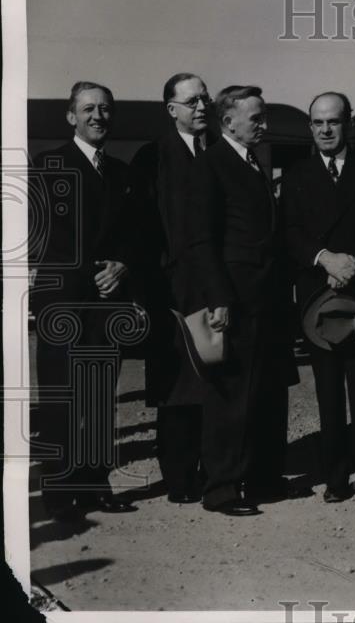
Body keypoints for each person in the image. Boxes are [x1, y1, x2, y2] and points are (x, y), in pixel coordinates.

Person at [187, 85, 307, 516]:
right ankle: (221, 488)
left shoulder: (254, 162)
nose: (264, 125)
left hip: (268, 299)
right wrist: (218, 297)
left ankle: (264, 478)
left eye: (264, 116)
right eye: (256, 118)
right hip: (236, 298)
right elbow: (202, 239)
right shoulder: (212, 164)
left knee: (269, 392)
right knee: (231, 397)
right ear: (229, 121)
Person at [282, 92, 355, 508]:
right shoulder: (296, 173)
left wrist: (354, 262)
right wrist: (325, 259)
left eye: (333, 121)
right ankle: (335, 477)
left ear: (350, 124)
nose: (326, 130)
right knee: (328, 392)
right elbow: (290, 230)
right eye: (317, 122)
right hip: (317, 295)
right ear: (310, 127)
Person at [30, 81, 138, 520]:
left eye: (105, 109)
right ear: (71, 116)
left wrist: (122, 266)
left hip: (106, 301)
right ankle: (57, 494)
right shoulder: (48, 164)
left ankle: (95, 486)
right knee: (59, 398)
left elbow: (135, 235)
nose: (98, 116)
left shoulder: (121, 172)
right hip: (63, 299)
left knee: (97, 397)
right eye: (89, 109)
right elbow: (39, 238)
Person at [129, 73, 215, 504]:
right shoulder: (153, 158)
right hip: (170, 292)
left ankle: (210, 469)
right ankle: (180, 478)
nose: (202, 106)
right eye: (192, 101)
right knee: (177, 387)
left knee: (212, 382)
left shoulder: (219, 152)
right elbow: (143, 229)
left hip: (215, 290)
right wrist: (153, 292)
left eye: (205, 99)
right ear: (171, 109)